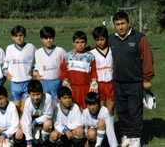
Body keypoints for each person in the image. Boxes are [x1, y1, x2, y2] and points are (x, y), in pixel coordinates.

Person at [109, 12, 154, 147]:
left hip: (135, 82)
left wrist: (147, 78)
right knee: (122, 111)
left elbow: (147, 59)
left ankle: (136, 138)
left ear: (129, 23)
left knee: (134, 111)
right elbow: (99, 48)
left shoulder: (140, 38)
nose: (121, 27)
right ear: (114, 26)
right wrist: (82, 50)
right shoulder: (111, 39)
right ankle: (126, 135)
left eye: (123, 24)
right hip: (118, 82)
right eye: (117, 24)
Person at [61, 31, 98, 109]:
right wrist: (65, 81)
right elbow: (64, 72)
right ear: (73, 43)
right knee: (73, 110)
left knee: (87, 110)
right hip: (73, 88)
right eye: (77, 42)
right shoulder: (68, 55)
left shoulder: (90, 56)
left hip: (86, 87)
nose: (80, 44)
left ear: (86, 42)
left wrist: (94, 81)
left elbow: (94, 72)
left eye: (82, 42)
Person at [3, 25, 36, 113]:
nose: (19, 38)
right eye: (16, 36)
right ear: (12, 37)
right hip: (14, 83)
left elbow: (38, 59)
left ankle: (25, 126)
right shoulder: (9, 48)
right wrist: (5, 71)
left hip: (27, 81)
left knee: (25, 109)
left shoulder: (31, 47)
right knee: (16, 109)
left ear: (24, 35)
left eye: (21, 35)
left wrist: (34, 69)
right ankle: (16, 126)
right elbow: (6, 62)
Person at [33, 26, 66, 106]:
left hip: (56, 82)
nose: (48, 40)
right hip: (43, 82)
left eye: (50, 38)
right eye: (45, 38)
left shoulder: (60, 51)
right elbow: (36, 67)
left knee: (57, 106)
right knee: (44, 106)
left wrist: (63, 73)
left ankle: (56, 118)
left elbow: (67, 65)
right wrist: (35, 73)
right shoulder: (38, 52)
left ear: (53, 38)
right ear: (41, 39)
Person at [91, 26, 114, 121]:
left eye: (102, 39)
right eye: (97, 40)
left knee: (110, 110)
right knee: (101, 111)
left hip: (111, 84)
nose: (100, 42)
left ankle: (111, 133)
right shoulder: (92, 53)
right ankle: (102, 134)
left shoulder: (112, 50)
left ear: (106, 38)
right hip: (99, 85)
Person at [22, 80, 53, 147]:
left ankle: (44, 140)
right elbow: (26, 122)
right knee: (21, 123)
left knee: (48, 123)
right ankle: (32, 140)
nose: (36, 97)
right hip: (33, 117)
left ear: (42, 92)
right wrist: (29, 142)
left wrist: (34, 122)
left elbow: (49, 114)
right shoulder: (27, 103)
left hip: (43, 118)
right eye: (33, 95)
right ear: (28, 94)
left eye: (38, 94)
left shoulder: (48, 97)